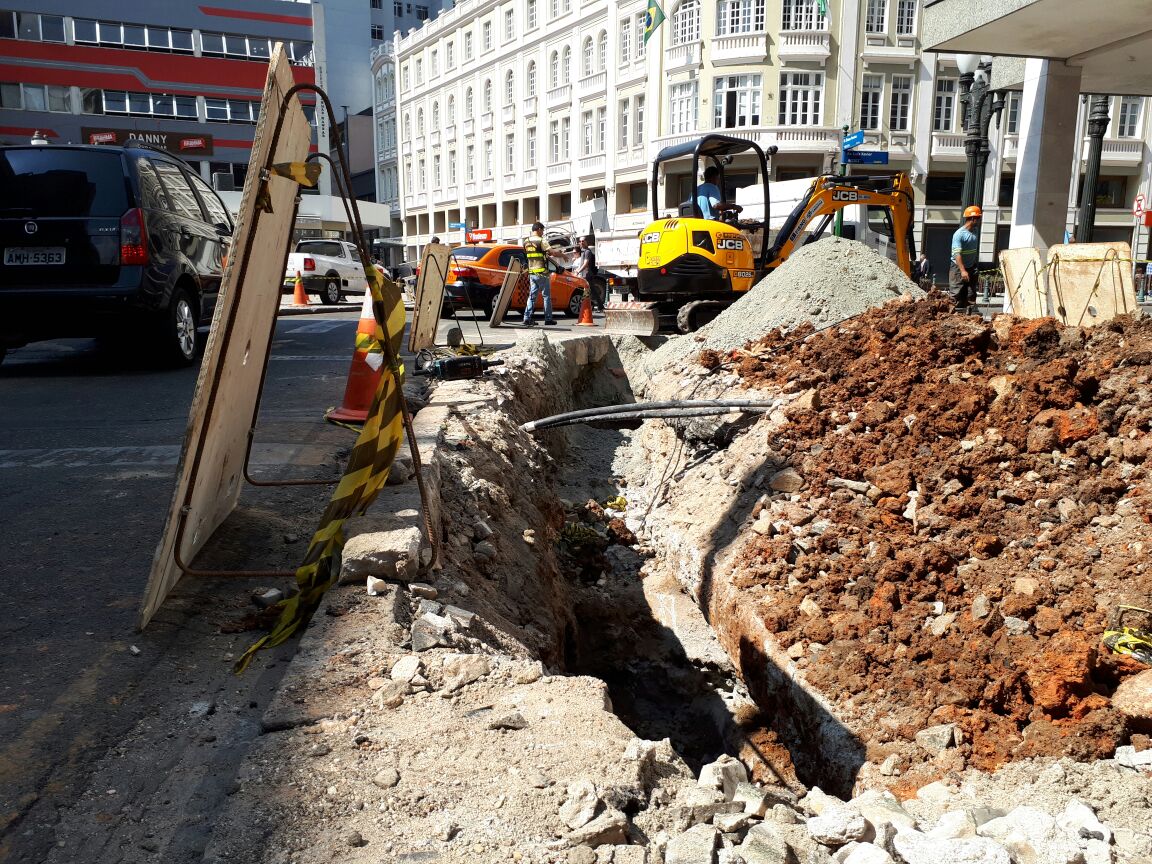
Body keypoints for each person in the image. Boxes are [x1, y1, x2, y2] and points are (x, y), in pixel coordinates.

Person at [522, 221, 559, 326]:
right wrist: (563, 256)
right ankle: (548, 319)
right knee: (546, 296)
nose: (543, 232)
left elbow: (531, 255)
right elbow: (552, 252)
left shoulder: (526, 241)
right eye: (542, 230)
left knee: (532, 296)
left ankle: (526, 318)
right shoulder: (541, 241)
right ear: (538, 229)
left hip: (532, 272)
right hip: (542, 272)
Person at [950, 205, 981, 311]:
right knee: (956, 293)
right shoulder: (959, 234)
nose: (979, 220)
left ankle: (970, 317)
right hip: (958, 268)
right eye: (978, 218)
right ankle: (952, 317)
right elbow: (956, 254)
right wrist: (963, 270)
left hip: (971, 267)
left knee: (971, 294)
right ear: (973, 218)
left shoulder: (975, 231)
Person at [573, 236, 604, 310]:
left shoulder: (587, 252)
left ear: (586, 242)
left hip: (587, 275)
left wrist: (578, 271)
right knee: (589, 291)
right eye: (580, 241)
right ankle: (594, 306)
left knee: (588, 290)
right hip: (584, 274)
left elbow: (586, 263)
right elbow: (581, 262)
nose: (581, 242)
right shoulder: (582, 251)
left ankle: (589, 306)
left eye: (583, 241)